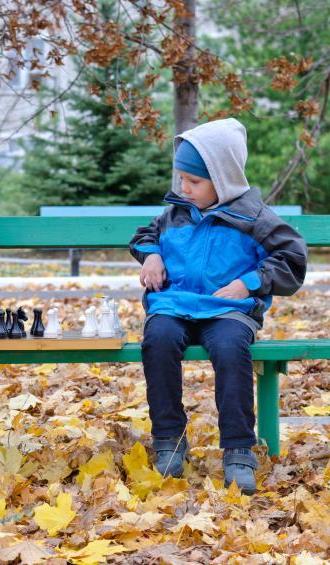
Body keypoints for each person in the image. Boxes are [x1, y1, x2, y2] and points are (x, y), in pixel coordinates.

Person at [129, 118, 307, 494]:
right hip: (174, 305)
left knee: (230, 347)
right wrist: (151, 256)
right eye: (181, 179)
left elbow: (290, 256)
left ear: (222, 179)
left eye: (193, 182)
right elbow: (145, 235)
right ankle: (168, 440)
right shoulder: (175, 211)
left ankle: (239, 450)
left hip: (227, 309)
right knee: (158, 338)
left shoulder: (254, 217)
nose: (183, 188)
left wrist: (249, 283)